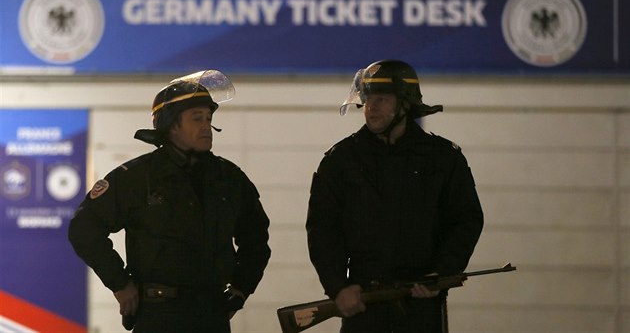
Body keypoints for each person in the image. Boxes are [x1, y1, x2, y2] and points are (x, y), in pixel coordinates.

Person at [68, 70, 271, 332]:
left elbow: (256, 238)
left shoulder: (229, 178)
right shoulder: (136, 178)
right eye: (196, 118)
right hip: (158, 317)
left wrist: (242, 288)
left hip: (213, 316)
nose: (206, 126)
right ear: (171, 125)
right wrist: (120, 283)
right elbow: (84, 228)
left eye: (208, 118)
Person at [306, 60, 483, 333]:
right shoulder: (340, 160)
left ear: (405, 104)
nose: (371, 107)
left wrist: (442, 272)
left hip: (421, 304)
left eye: (382, 99)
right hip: (363, 304)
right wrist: (337, 287)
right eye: (367, 99)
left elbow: (466, 219)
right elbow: (322, 229)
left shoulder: (443, 158)